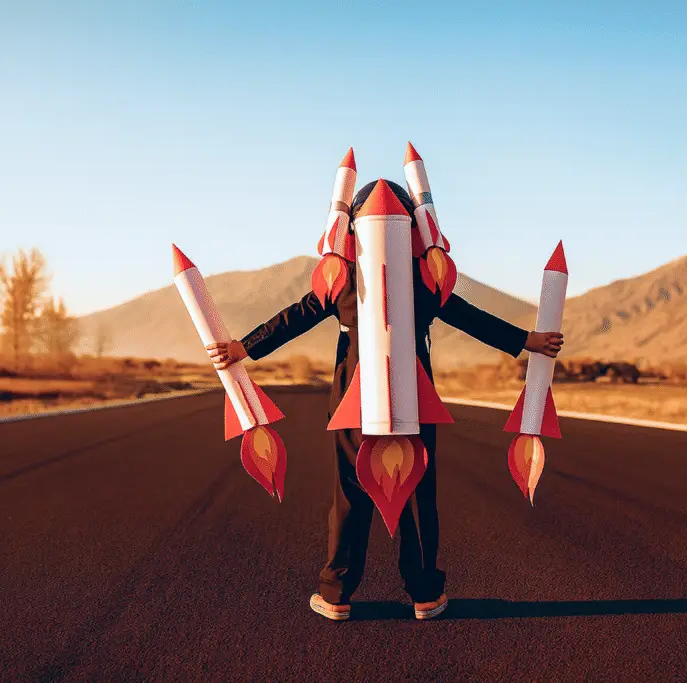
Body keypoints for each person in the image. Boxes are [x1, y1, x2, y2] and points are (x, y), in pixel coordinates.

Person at [206, 179, 563, 621]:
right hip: (416, 402)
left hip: (352, 406)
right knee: (418, 494)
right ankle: (425, 594)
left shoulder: (341, 281)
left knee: (349, 494)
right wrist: (527, 340)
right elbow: (469, 316)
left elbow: (296, 315)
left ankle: (336, 595)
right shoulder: (426, 280)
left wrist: (244, 346)